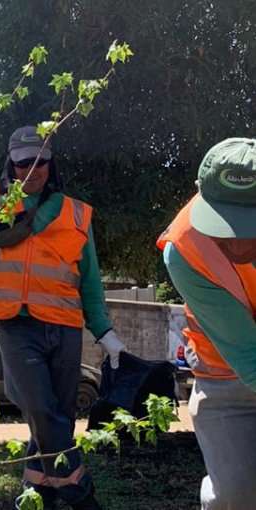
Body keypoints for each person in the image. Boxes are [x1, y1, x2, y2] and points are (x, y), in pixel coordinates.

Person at [0, 126, 126, 510]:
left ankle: (35, 496)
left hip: (65, 327)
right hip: (15, 325)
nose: (33, 169)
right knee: (41, 410)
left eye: (41, 161)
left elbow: (89, 280)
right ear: (10, 162)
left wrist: (105, 332)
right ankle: (80, 492)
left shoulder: (76, 212)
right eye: (24, 161)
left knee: (55, 417)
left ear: (50, 162)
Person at [157, 138, 256, 509]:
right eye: (225, 223)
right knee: (237, 495)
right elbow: (249, 353)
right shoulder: (183, 250)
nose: (238, 242)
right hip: (224, 374)